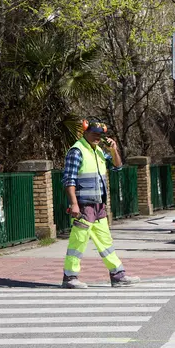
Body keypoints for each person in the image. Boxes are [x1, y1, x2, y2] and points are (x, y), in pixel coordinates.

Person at [61, 118, 140, 289]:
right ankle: (70, 277)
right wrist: (74, 204)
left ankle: (118, 275)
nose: (98, 137)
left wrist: (114, 150)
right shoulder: (77, 151)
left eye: (100, 135)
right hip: (83, 205)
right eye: (95, 134)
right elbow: (69, 180)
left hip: (98, 206)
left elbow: (117, 167)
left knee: (105, 241)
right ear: (85, 132)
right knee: (78, 241)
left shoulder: (98, 151)